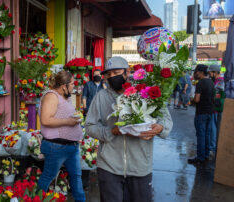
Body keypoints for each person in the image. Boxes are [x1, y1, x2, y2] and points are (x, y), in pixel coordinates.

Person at [85, 57, 173, 202]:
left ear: (127, 72)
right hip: (109, 167)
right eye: (109, 74)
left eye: (116, 72)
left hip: (140, 166)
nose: (112, 77)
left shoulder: (145, 93)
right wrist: (111, 132)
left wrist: (159, 128)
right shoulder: (100, 97)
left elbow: (166, 120)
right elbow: (90, 126)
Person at [38, 71, 85, 202]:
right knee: (48, 176)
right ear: (64, 85)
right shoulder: (51, 96)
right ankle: (34, 199)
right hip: (56, 146)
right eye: (72, 84)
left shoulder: (65, 96)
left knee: (76, 176)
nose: (73, 87)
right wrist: (68, 121)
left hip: (71, 146)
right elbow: (46, 120)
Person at [188, 64, 215, 165]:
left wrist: (192, 100)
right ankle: (206, 155)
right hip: (209, 112)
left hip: (201, 113)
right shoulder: (211, 82)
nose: (195, 74)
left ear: (200, 72)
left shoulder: (201, 83)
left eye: (196, 72)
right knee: (207, 134)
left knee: (201, 135)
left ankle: (200, 158)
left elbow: (197, 99)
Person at [208, 64, 225, 156]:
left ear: (215, 72)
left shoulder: (219, 82)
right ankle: (214, 147)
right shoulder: (219, 81)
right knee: (216, 128)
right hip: (218, 108)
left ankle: (213, 148)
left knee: (213, 128)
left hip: (216, 109)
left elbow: (217, 95)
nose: (209, 74)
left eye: (210, 72)